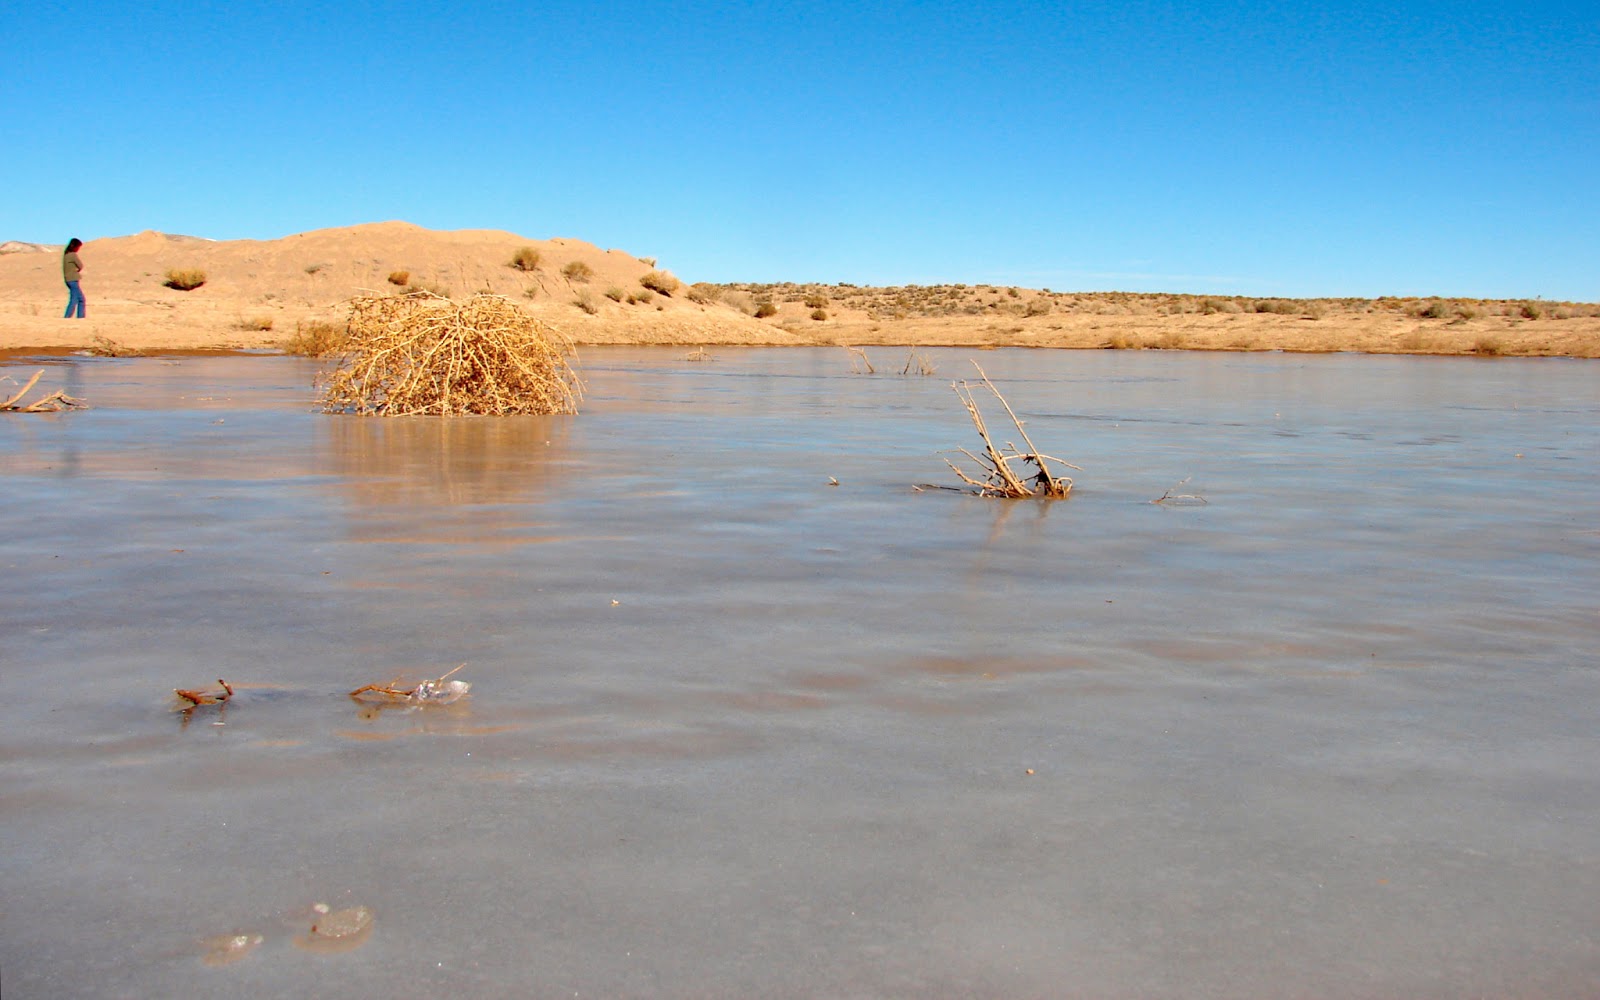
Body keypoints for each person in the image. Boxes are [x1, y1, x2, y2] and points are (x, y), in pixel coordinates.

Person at [63, 238, 86, 319]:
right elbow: (80, 266)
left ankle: (80, 317)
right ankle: (67, 317)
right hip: (73, 280)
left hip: (68, 280)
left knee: (80, 299)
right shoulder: (73, 255)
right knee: (74, 299)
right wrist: (77, 270)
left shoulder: (66, 255)